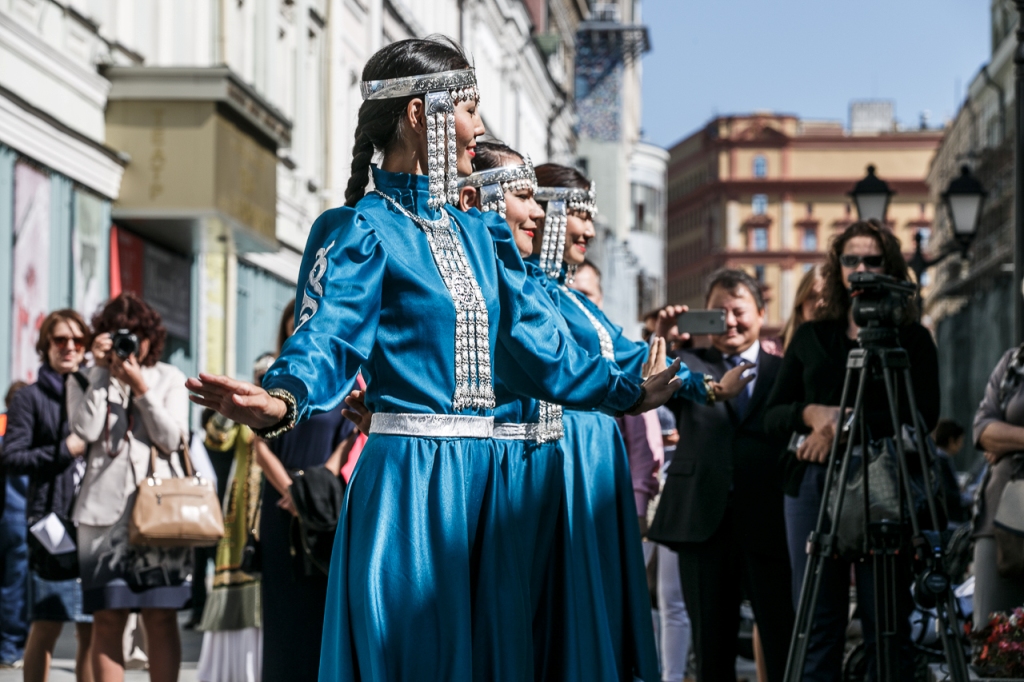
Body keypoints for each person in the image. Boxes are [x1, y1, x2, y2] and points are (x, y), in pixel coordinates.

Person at [186, 36, 684, 682]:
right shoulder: (361, 228)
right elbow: (329, 334)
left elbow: (537, 344)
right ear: (421, 114)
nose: (479, 129)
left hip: (491, 486)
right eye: (469, 109)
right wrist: (282, 398)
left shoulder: (483, 233)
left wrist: (625, 390)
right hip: (411, 483)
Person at [529, 163, 752, 682]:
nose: (587, 230)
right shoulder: (528, 293)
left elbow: (633, 358)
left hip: (589, 465)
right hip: (556, 465)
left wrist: (708, 385)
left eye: (590, 217)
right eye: (577, 215)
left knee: (594, 604)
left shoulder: (574, 303)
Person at [763, 220, 940, 682]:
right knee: (819, 622)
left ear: (891, 268)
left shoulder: (913, 339)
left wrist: (839, 426)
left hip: (885, 483)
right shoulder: (811, 337)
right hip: (814, 484)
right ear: (837, 268)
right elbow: (773, 414)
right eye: (851, 260)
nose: (861, 269)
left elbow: (923, 417)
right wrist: (812, 415)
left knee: (887, 624)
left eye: (872, 261)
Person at [648, 269, 794, 682]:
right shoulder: (688, 365)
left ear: (762, 313)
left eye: (738, 311)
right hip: (703, 522)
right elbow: (649, 385)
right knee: (712, 647)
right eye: (718, 313)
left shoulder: (782, 370)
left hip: (769, 522)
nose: (729, 321)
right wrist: (660, 339)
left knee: (781, 637)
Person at [68, 293, 190, 682]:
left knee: (160, 616)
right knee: (107, 617)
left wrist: (141, 388)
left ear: (151, 338)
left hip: (161, 512)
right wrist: (102, 373)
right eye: (118, 335)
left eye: (137, 335)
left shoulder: (168, 378)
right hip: (101, 518)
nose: (130, 344)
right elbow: (84, 432)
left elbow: (172, 439)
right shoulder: (84, 377)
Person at [255, 307, 355, 681]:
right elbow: (260, 446)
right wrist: (292, 491)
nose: (300, 323)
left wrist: (313, 490)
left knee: (322, 600)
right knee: (282, 605)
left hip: (325, 502)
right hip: (280, 502)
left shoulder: (342, 377)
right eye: (294, 317)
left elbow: (349, 439)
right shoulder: (275, 375)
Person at [2, 310, 95, 682]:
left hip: (95, 519)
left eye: (77, 341)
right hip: (50, 523)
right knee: (48, 620)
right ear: (46, 346)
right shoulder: (29, 398)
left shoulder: (95, 389)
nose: (69, 347)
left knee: (92, 624)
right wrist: (64, 449)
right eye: (60, 340)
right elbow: (12, 456)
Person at [196, 355, 270, 682]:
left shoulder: (290, 409)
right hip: (241, 512)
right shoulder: (245, 415)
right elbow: (215, 437)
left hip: (277, 501)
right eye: (259, 375)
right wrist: (236, 402)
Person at [972, 342, 1024, 625]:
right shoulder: (1013, 362)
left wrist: (1008, 439)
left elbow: (996, 432)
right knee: (994, 634)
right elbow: (982, 429)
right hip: (1001, 514)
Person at [0, 380, 28, 670]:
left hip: (9, 515)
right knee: (15, 588)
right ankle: (10, 649)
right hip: (19, 518)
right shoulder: (26, 433)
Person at [932, 419, 968, 524]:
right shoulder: (940, 462)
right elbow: (947, 494)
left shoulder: (941, 460)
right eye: (961, 441)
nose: (962, 445)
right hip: (949, 520)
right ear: (952, 440)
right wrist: (968, 497)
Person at [782, 266, 824, 351]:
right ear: (800, 302)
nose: (818, 305)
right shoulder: (774, 350)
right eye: (812, 297)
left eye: (826, 297)